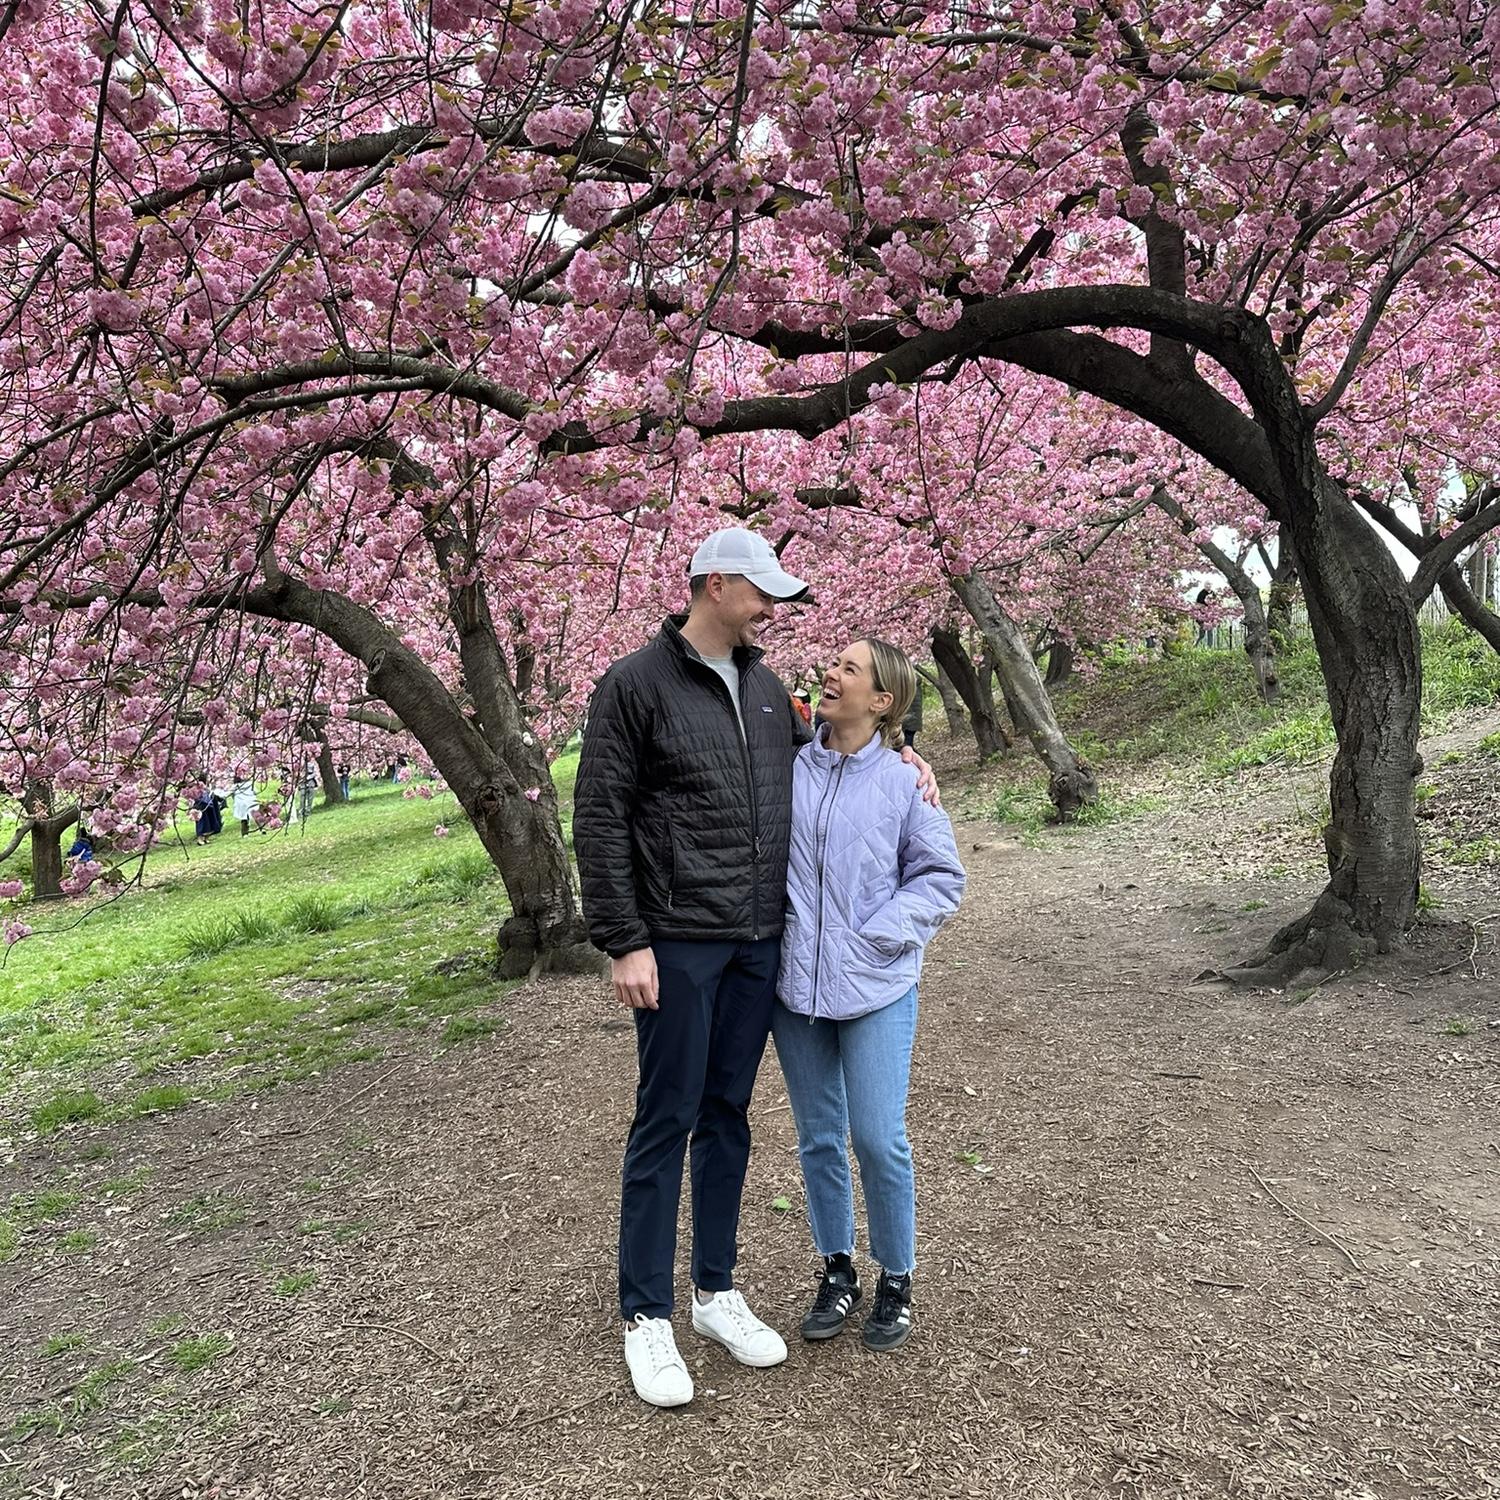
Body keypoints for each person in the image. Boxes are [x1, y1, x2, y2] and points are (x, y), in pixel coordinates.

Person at [573, 527, 939, 1410]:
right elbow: (599, 813)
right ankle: (646, 1316)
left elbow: (839, 762)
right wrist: (624, 939)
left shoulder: (773, 693)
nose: (775, 606)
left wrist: (910, 761)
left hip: (757, 947)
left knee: (728, 1114)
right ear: (715, 585)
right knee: (666, 1117)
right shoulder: (635, 685)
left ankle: (715, 1292)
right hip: (676, 940)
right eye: (761, 590)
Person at [774, 638, 965, 1352]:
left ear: (882, 700)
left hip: (877, 985)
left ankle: (896, 1278)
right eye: (835, 663)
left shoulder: (902, 781)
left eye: (850, 669)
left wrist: (879, 935)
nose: (831, 672)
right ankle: (836, 1268)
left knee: (878, 1138)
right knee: (819, 1138)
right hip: (795, 989)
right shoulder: (788, 768)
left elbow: (941, 878)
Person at [230, 770, 258, 836]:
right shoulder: (250, 784)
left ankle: (245, 833)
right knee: (256, 816)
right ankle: (261, 829)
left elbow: (231, 794)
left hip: (241, 804)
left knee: (244, 818)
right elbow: (255, 791)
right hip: (251, 801)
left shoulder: (235, 787)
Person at [900, 682, 923, 750]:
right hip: (913, 721)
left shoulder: (906, 683)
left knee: (906, 747)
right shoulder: (913, 684)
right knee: (907, 745)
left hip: (908, 721)